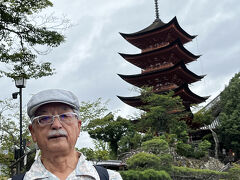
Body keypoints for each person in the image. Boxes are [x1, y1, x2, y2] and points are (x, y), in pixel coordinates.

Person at [19, 89, 122, 180]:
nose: (56, 125)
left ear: (78, 127)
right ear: (33, 132)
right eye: (45, 118)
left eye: (65, 116)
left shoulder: (110, 178)